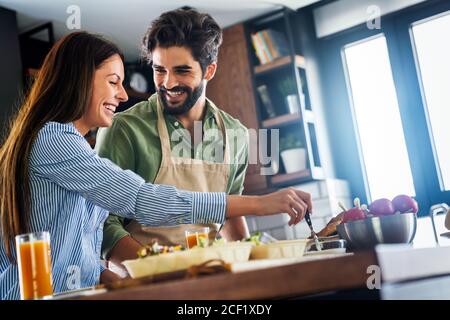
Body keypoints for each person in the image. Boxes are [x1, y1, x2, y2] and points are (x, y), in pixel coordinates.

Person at [0, 31, 312, 300]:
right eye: (113, 82)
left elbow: (81, 255)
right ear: (80, 79)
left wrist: (130, 285)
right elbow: (142, 200)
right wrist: (261, 204)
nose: (122, 95)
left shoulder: (78, 148)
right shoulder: (53, 139)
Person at [96, 8, 252, 272]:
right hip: (144, 286)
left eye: (182, 71)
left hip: (212, 281)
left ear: (209, 70)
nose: (168, 83)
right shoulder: (124, 129)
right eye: (160, 70)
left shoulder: (236, 135)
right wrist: (165, 271)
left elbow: (229, 212)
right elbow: (101, 223)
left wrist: (252, 269)